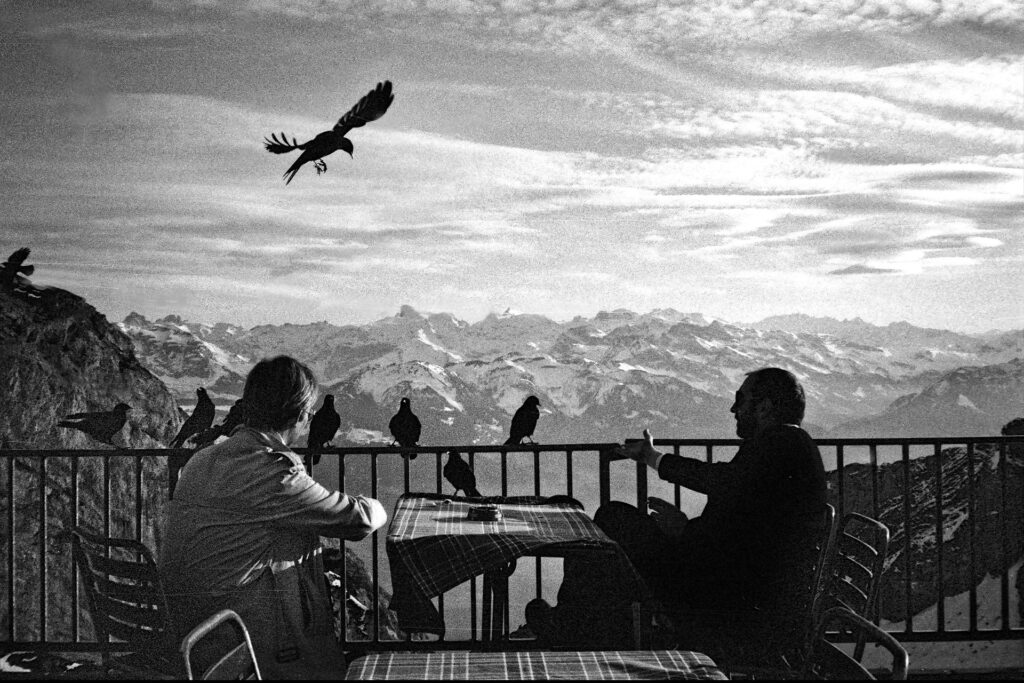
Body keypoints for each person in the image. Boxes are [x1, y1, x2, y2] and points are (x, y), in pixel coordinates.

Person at [527, 367, 827, 649]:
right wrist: (685, 527)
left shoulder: (779, 446)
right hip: (735, 582)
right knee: (614, 518)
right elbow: (744, 521)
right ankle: (587, 627)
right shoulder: (791, 446)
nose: (733, 410)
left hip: (724, 597)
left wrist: (679, 520)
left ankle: (576, 627)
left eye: (740, 401)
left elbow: (721, 482)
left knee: (611, 521)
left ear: (765, 407)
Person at [159, 356, 387, 679]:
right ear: (296, 415)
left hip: (191, 627)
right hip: (233, 644)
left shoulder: (201, 461)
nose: (308, 422)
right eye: (308, 414)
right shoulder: (272, 474)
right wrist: (377, 507)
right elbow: (358, 520)